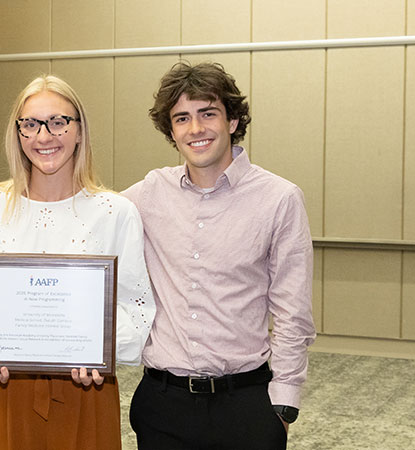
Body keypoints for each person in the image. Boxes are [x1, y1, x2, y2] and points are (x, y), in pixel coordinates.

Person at [0, 75, 155, 450]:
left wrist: (99, 351)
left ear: (79, 131)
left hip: (88, 390)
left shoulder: (115, 212)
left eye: (58, 122)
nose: (44, 136)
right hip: (4, 388)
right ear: (18, 133)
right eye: (31, 123)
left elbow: (135, 309)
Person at [123, 61, 316, 449]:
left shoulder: (279, 199)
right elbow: (84, 219)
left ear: (232, 121)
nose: (195, 129)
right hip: (163, 405)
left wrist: (284, 404)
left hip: (246, 405)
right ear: (171, 131)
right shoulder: (145, 195)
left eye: (207, 113)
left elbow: (292, 312)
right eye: (182, 118)